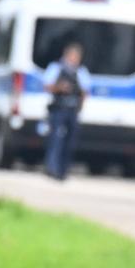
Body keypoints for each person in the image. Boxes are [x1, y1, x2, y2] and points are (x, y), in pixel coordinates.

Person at [42, 41, 91, 181]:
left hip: (73, 110)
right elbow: (47, 86)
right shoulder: (56, 67)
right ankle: (51, 167)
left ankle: (63, 171)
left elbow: (86, 91)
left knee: (70, 142)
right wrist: (59, 88)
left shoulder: (81, 72)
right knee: (55, 139)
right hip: (58, 108)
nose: (75, 59)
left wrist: (81, 99)